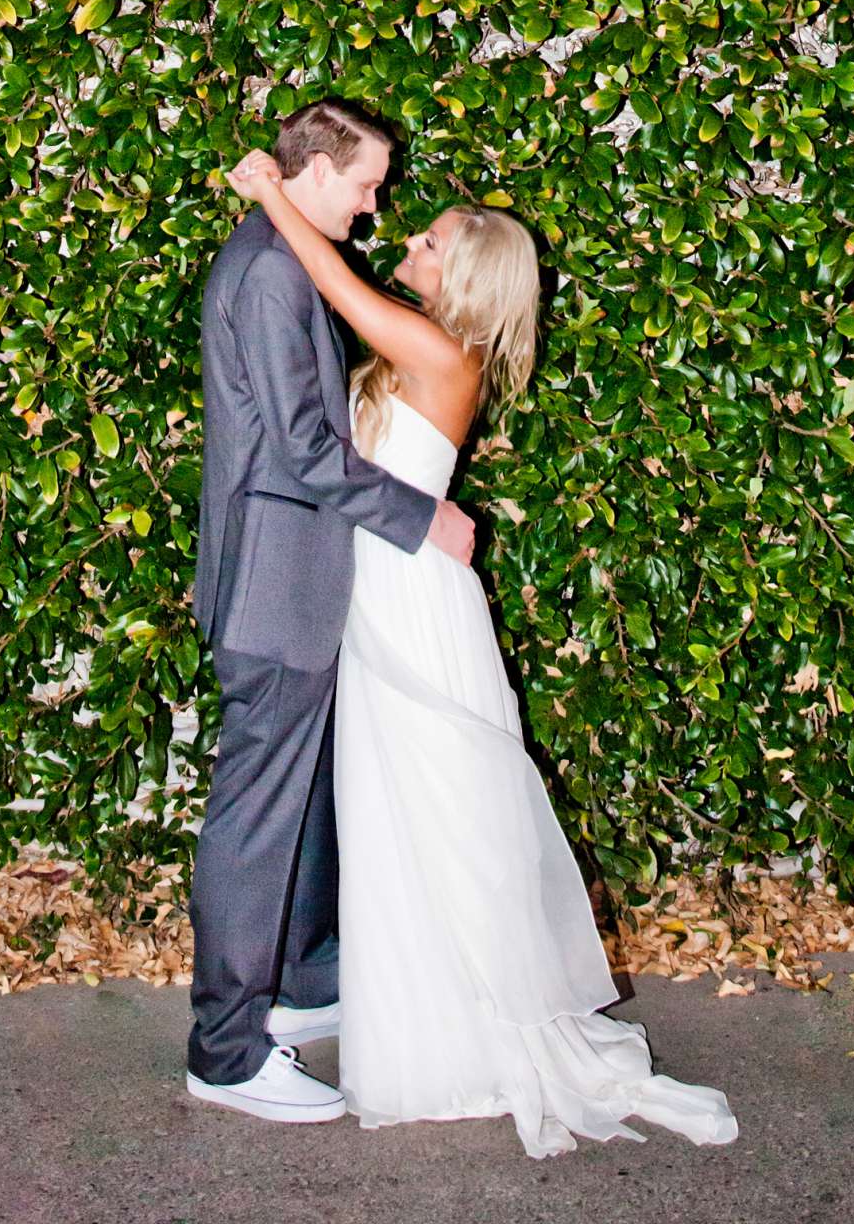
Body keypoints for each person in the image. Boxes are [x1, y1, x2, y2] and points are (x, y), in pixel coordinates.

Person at [222, 142, 741, 1161]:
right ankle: (413, 1008)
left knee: (438, 807)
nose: (397, 236)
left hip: (411, 606)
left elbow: (326, 276)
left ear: (458, 276)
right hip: (386, 598)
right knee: (405, 810)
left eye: (425, 240)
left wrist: (269, 194)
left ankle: (454, 1037)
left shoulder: (433, 350)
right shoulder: (426, 346)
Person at [186, 98, 478, 1124]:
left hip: (292, 582)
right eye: (365, 183)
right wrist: (420, 518)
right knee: (257, 821)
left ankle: (305, 981)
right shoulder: (270, 272)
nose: (373, 201)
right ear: (315, 170)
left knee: (300, 805)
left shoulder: (282, 252)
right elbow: (306, 454)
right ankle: (223, 1051)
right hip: (276, 584)